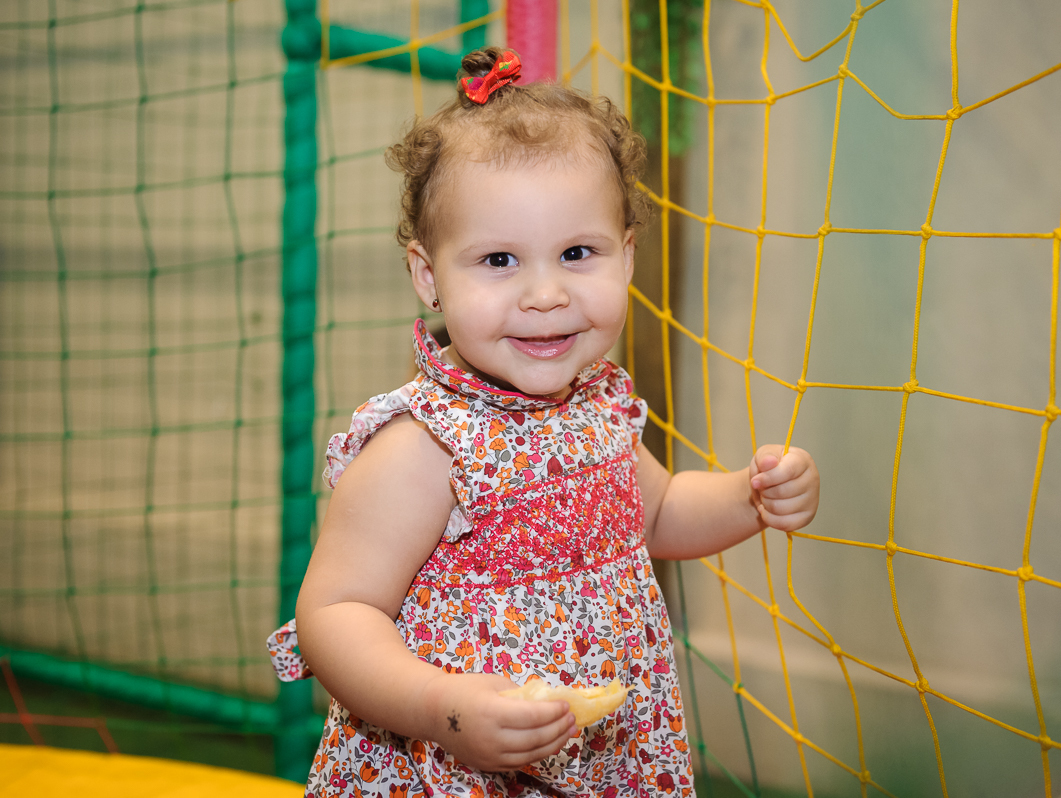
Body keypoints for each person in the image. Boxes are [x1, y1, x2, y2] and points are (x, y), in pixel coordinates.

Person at [267, 47, 819, 798]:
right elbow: (336, 612)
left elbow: (653, 514)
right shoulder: (425, 445)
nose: (546, 293)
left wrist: (749, 499)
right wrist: (444, 708)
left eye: (577, 253)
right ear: (429, 276)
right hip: (455, 762)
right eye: (498, 260)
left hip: (606, 748)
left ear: (626, 259)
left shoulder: (599, 406)